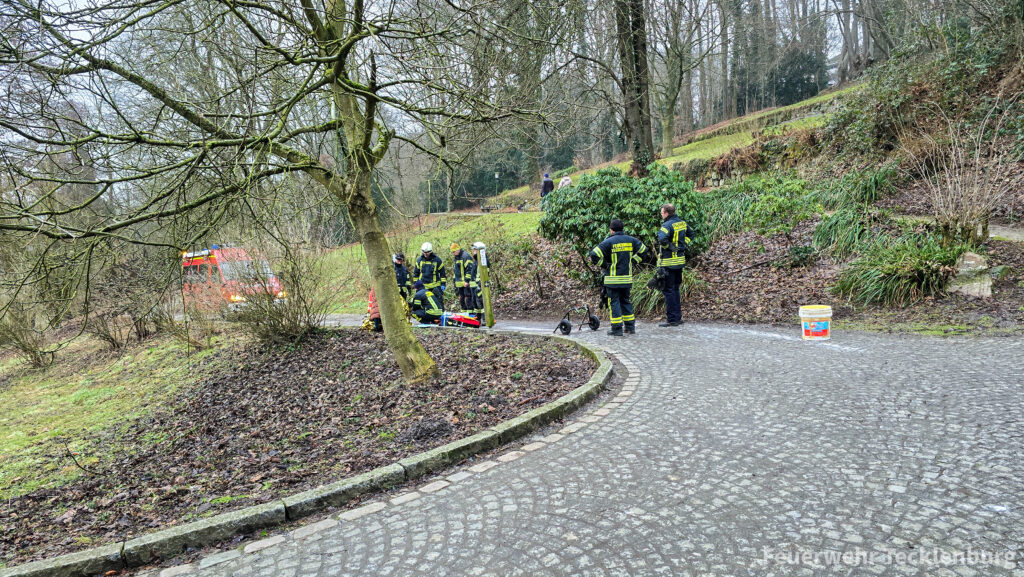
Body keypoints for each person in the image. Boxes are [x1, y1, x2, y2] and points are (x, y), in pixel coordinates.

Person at [590, 218, 646, 336]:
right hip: (626, 279)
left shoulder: (608, 242)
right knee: (626, 301)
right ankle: (630, 327)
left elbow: (594, 254)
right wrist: (633, 261)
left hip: (613, 280)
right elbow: (644, 251)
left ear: (611, 230)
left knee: (614, 303)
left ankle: (617, 329)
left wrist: (605, 265)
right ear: (622, 228)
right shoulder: (631, 240)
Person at [656, 203, 693, 327]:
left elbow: (661, 239)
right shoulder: (682, 223)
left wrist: (670, 247)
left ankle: (672, 319)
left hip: (669, 263)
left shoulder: (666, 225)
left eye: (662, 213)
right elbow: (691, 234)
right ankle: (678, 317)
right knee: (676, 289)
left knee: (669, 291)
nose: (661, 215)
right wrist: (682, 245)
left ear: (666, 213)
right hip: (680, 262)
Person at [450, 242, 477, 314]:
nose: (453, 253)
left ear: (457, 249)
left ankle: (471, 314)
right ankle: (464, 314)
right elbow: (456, 270)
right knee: (462, 299)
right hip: (459, 283)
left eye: (454, 252)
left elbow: (469, 269)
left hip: (465, 282)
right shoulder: (457, 257)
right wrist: (455, 281)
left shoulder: (465, 256)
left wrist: (467, 281)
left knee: (468, 298)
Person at [469, 241, 487, 317]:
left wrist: (480, 284)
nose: (474, 252)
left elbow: (485, 274)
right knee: (475, 302)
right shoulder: (476, 261)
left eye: (475, 250)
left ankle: (484, 318)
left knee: (481, 302)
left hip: (479, 285)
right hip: (474, 286)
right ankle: (478, 317)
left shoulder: (483, 261)